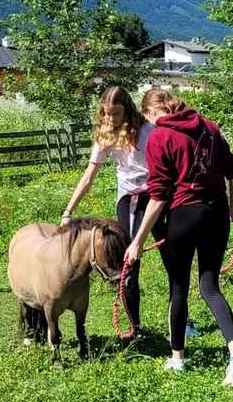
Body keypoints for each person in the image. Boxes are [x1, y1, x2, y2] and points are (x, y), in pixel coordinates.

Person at [124, 87, 233, 388]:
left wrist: (137, 240)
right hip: (217, 213)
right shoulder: (210, 126)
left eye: (148, 118)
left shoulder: (159, 136)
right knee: (210, 287)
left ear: (152, 113)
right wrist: (232, 209)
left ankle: (177, 359)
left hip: (185, 216)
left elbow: (157, 196)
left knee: (178, 286)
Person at [59, 86, 196, 341]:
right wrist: (68, 210)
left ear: (128, 109)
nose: (112, 118)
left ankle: (182, 319)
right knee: (128, 263)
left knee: (173, 259)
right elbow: (89, 177)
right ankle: (135, 328)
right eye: (107, 113)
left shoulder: (147, 130)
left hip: (158, 195)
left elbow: (171, 165)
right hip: (129, 200)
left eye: (117, 113)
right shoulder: (105, 135)